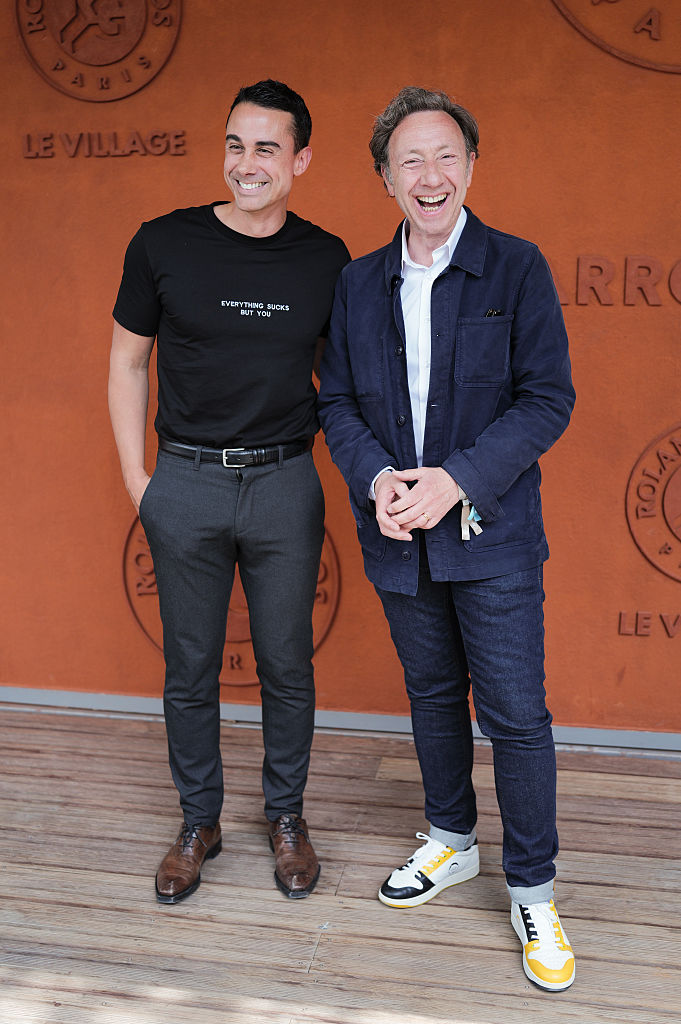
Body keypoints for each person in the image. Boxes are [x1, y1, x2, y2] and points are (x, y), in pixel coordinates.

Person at [317, 87, 576, 991]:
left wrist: (454, 478)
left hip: (490, 534)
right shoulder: (357, 283)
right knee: (431, 695)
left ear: (470, 167)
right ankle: (451, 840)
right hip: (397, 534)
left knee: (514, 715)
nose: (430, 175)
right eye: (410, 160)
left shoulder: (516, 267)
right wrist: (378, 480)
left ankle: (533, 889)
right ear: (385, 178)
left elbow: (547, 399)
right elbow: (336, 402)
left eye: (446, 156)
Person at [108, 79, 349, 904]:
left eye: (267, 148)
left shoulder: (326, 259)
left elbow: (344, 384)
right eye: (235, 145)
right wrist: (138, 479)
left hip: (284, 481)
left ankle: (286, 817)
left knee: (286, 664)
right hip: (185, 481)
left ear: (300, 161)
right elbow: (127, 362)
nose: (247, 164)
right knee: (190, 666)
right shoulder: (162, 243)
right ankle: (197, 822)